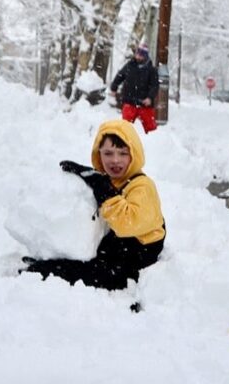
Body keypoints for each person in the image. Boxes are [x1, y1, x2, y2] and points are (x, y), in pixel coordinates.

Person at [21, 118, 166, 292]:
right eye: (108, 153)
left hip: (138, 255)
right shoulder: (113, 180)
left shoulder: (142, 186)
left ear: (134, 154)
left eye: (123, 153)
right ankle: (53, 264)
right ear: (99, 154)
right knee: (91, 260)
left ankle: (50, 272)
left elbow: (128, 223)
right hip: (120, 246)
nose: (115, 160)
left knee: (92, 274)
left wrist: (104, 189)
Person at [109, 45, 159, 133]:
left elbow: (154, 86)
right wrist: (114, 88)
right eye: (137, 54)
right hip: (129, 101)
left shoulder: (151, 70)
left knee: (151, 129)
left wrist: (150, 98)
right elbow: (120, 76)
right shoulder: (130, 65)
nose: (138, 57)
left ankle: (151, 143)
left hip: (144, 104)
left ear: (145, 56)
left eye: (141, 55)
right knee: (125, 128)